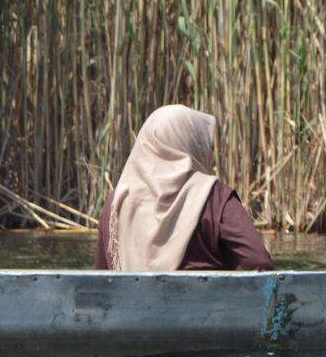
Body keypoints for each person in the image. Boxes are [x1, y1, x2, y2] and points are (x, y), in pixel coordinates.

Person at [94, 104, 273, 271]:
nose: (211, 156)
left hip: (130, 297)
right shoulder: (214, 197)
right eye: (207, 147)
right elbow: (260, 265)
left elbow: (101, 281)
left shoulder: (115, 205)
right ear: (189, 145)